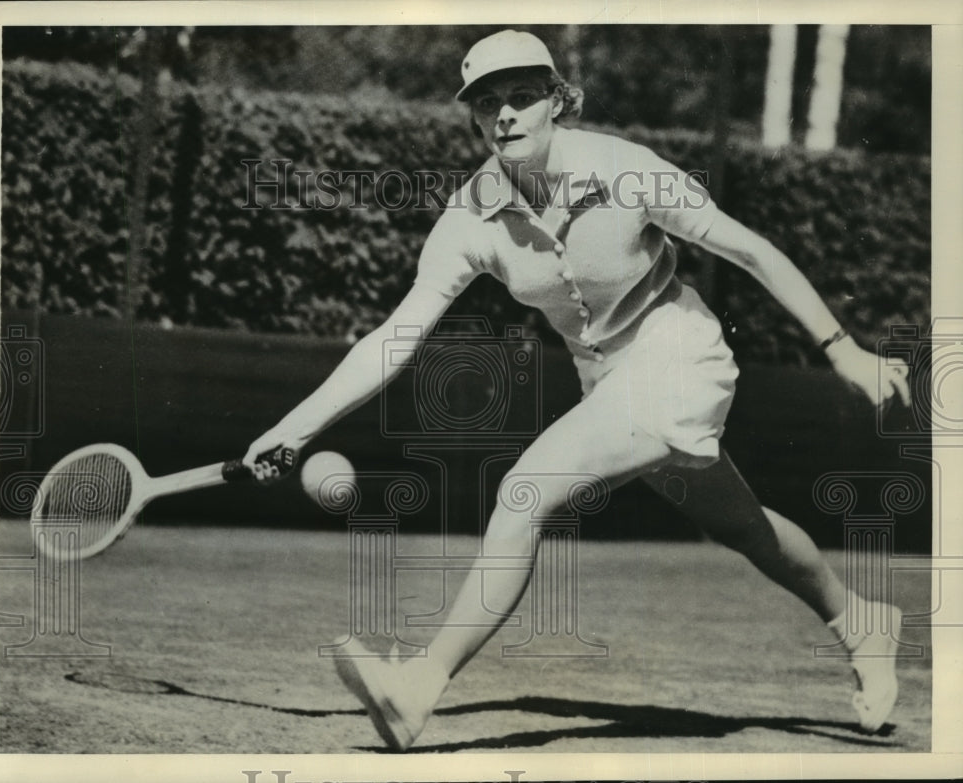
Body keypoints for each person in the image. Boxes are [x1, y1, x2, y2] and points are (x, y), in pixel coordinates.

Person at [243, 30, 912, 751]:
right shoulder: (470, 217)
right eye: (487, 102)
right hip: (608, 380)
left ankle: (419, 685)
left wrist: (844, 350)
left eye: (524, 97)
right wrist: (295, 426)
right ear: (472, 117)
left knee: (527, 488)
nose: (506, 115)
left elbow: (748, 248)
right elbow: (396, 338)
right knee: (743, 525)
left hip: (680, 356)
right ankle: (860, 621)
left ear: (559, 102)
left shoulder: (627, 172)